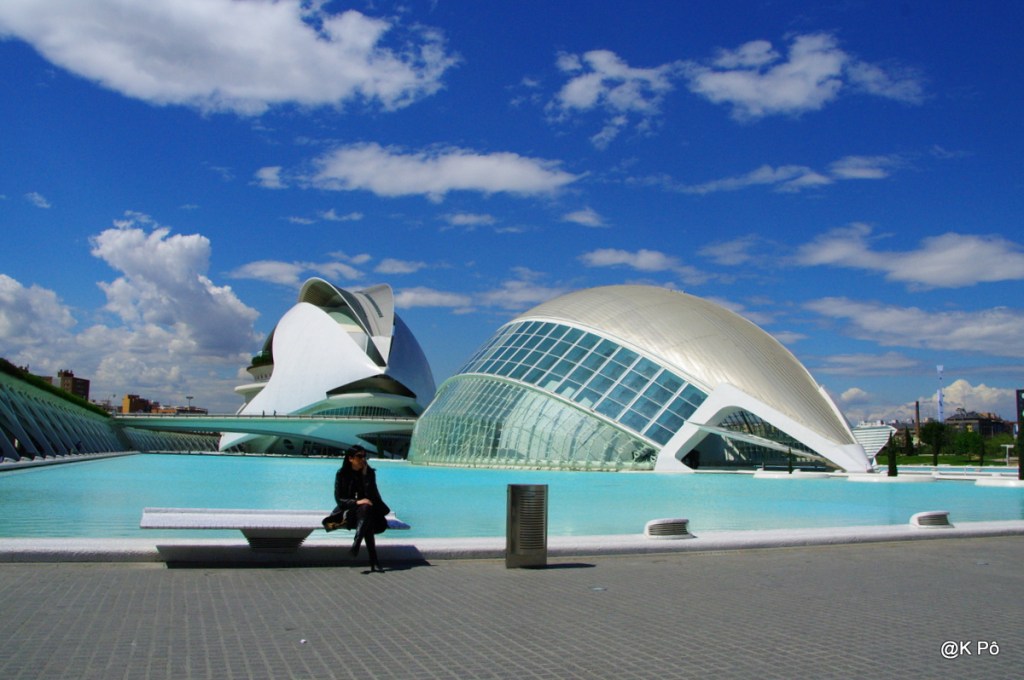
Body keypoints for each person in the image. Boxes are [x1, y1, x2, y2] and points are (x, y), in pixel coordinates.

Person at [323, 445, 390, 572]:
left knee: (366, 511)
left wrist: (365, 477)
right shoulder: (342, 473)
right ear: (350, 458)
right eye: (359, 456)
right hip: (349, 513)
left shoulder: (369, 473)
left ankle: (357, 542)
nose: (363, 459)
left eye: (364, 456)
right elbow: (340, 500)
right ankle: (373, 559)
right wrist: (357, 502)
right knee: (366, 514)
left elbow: (373, 498)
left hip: (368, 514)